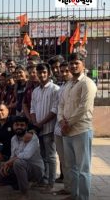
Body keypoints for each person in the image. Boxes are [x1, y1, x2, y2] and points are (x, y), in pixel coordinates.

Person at [58, 52, 97, 200]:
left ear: (83, 65)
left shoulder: (87, 83)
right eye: (71, 63)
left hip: (81, 130)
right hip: (66, 130)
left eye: (77, 63)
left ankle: (83, 197)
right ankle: (74, 195)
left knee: (83, 169)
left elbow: (84, 107)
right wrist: (61, 120)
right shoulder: (68, 84)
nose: (73, 66)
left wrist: (68, 123)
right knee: (71, 167)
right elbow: (61, 104)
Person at [0, 116, 44, 200]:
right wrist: (6, 164)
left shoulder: (33, 138)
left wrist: (10, 162)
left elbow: (26, 155)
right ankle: (19, 183)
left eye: (22, 125)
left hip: (35, 170)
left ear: (26, 127)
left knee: (18, 162)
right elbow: (13, 155)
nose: (19, 127)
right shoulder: (13, 139)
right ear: (13, 126)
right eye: (17, 125)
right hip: (20, 168)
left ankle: (25, 193)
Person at [30, 63, 59, 192]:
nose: (41, 75)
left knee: (51, 157)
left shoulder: (55, 89)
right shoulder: (35, 91)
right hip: (38, 129)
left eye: (44, 72)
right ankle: (44, 180)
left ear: (49, 73)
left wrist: (40, 124)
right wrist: (35, 123)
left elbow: (54, 110)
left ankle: (51, 184)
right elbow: (32, 108)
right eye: (39, 72)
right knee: (41, 156)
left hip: (49, 129)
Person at [53, 61, 72, 196]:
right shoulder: (62, 88)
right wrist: (60, 121)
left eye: (67, 71)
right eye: (62, 71)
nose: (64, 73)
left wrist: (67, 123)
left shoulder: (81, 85)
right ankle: (67, 187)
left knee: (73, 162)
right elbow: (59, 107)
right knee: (63, 159)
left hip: (72, 127)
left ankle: (74, 190)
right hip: (59, 127)